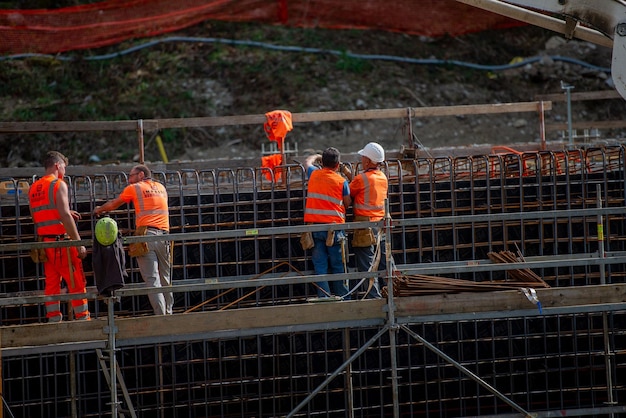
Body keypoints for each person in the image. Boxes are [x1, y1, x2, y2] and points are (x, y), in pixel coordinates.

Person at [94, 164, 173, 315]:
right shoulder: (161, 187)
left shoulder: (135, 188)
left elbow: (113, 204)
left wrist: (99, 209)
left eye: (131, 176)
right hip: (165, 237)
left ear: (141, 175)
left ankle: (162, 317)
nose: (129, 180)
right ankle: (169, 314)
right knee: (165, 278)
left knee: (152, 280)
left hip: (146, 236)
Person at [28, 151, 90, 322]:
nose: (65, 170)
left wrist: (62, 213)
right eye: (64, 166)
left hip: (45, 245)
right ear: (57, 165)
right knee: (76, 281)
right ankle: (83, 319)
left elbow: (37, 217)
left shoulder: (33, 187)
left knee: (52, 284)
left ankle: (54, 319)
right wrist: (78, 243)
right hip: (61, 243)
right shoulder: (58, 184)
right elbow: (64, 215)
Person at [303, 147, 352, 299]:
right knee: (339, 267)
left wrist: (316, 156)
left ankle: (324, 299)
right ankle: (343, 300)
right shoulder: (341, 181)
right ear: (337, 165)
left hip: (315, 229)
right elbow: (348, 203)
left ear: (322, 162)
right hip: (334, 230)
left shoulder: (314, 174)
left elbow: (307, 162)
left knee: (320, 267)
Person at [347, 142, 389, 299]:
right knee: (385, 264)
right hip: (381, 226)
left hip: (365, 227)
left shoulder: (360, 179)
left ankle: (375, 299)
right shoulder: (382, 177)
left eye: (363, 156)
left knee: (368, 266)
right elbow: (366, 186)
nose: (361, 158)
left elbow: (348, 192)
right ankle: (392, 294)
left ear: (368, 161)